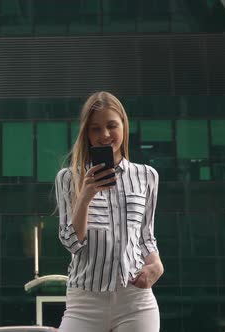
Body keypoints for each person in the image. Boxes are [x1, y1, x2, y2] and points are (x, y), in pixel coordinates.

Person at [55, 91, 164, 331]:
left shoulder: (147, 176)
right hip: (84, 300)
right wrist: (84, 197)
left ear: (124, 126)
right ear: (87, 134)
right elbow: (71, 243)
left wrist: (156, 265)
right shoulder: (68, 178)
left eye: (111, 125)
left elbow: (146, 237)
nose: (104, 135)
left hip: (135, 299)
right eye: (95, 129)